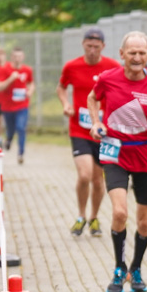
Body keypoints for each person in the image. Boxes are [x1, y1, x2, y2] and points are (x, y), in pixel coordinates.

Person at [89, 31, 147, 292]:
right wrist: (97, 122)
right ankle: (119, 268)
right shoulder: (108, 79)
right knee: (120, 213)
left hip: (145, 154)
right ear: (121, 54)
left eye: (142, 52)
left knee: (145, 222)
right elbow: (92, 98)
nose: (137, 57)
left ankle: (136, 269)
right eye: (131, 52)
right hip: (115, 153)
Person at [57, 27, 121, 237]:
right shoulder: (72, 66)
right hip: (79, 129)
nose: (92, 50)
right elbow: (61, 87)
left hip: (103, 131)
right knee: (84, 175)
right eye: (89, 46)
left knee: (97, 179)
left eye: (96, 46)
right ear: (83, 44)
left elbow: (121, 90)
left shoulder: (112, 67)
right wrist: (66, 103)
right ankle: (80, 215)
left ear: (103, 47)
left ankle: (93, 218)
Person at [0, 47, 34, 164]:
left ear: (23, 57)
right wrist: (10, 79)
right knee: (11, 129)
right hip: (8, 107)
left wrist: (30, 91)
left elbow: (31, 83)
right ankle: (9, 139)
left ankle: (21, 153)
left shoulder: (27, 70)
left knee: (21, 128)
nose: (17, 59)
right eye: (15, 56)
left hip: (22, 105)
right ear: (11, 57)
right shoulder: (5, 70)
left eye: (20, 56)